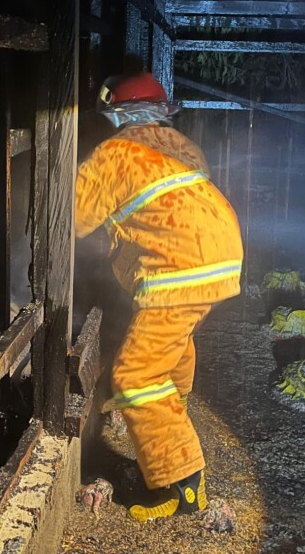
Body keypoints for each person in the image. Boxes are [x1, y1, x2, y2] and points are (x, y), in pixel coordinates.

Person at [74, 72, 244, 520]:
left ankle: (184, 488)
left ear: (120, 116)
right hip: (220, 254)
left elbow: (68, 219)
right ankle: (172, 425)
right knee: (173, 347)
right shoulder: (182, 148)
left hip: (179, 265)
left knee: (136, 377)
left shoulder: (115, 153)